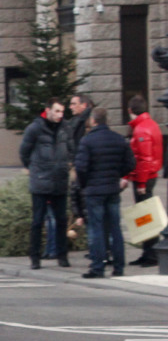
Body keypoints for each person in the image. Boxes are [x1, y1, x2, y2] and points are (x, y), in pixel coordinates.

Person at [74, 106, 136, 278]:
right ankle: (118, 267)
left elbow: (81, 167)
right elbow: (130, 163)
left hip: (94, 191)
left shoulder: (87, 141)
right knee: (115, 228)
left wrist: (85, 184)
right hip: (112, 188)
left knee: (96, 229)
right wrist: (117, 174)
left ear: (93, 121)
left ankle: (97, 267)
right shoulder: (118, 139)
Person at [19, 98, 73, 269]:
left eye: (62, 112)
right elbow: (24, 152)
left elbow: (72, 149)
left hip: (59, 180)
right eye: (56, 111)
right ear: (47, 110)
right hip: (41, 181)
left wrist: (67, 165)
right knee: (37, 221)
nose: (60, 115)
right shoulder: (35, 128)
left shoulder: (65, 128)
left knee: (61, 220)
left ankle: (62, 256)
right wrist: (35, 169)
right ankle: (35, 258)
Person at [124, 95, 163, 266]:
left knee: (146, 216)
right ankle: (148, 252)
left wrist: (140, 183)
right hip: (149, 176)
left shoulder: (140, 129)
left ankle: (151, 254)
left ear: (130, 110)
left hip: (144, 177)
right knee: (145, 216)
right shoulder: (150, 125)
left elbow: (144, 159)